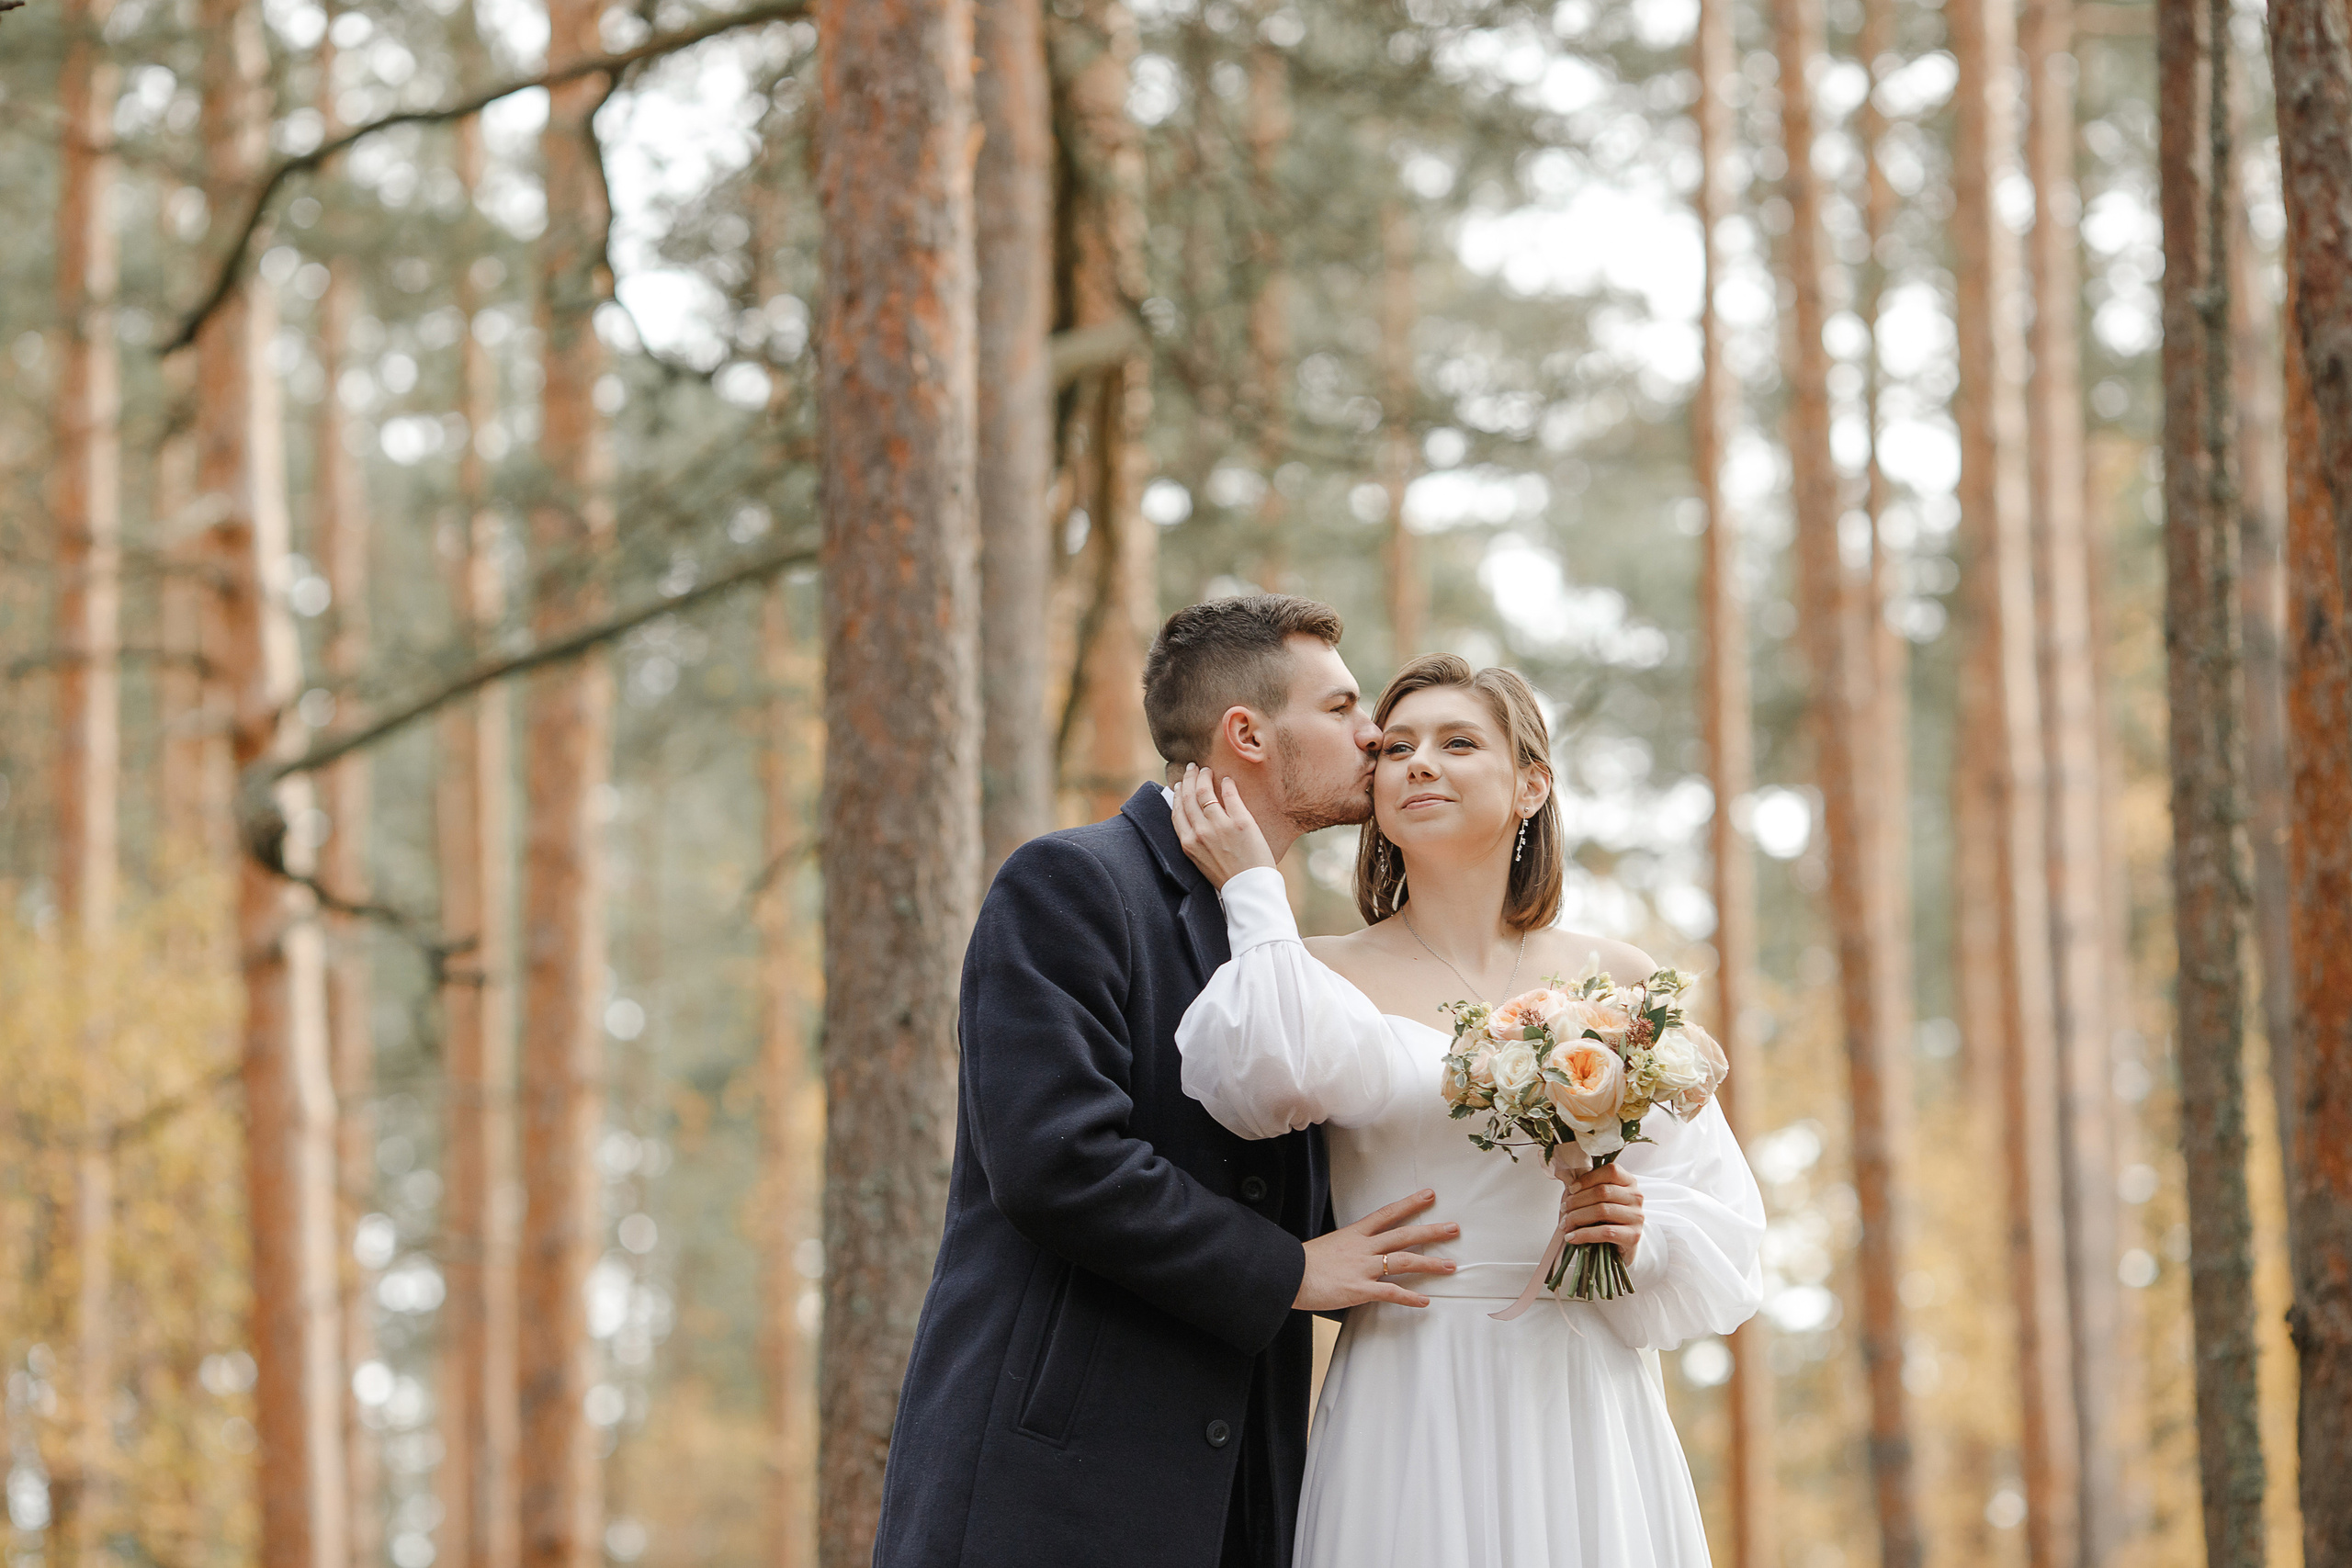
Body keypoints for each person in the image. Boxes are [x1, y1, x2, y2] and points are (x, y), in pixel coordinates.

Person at [872, 596, 1449, 1568]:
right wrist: (1292, 1270)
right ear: (1247, 734)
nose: (1375, 733)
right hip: (1051, 1486)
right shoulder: (1072, 884)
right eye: (1343, 706)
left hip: (1236, 1495)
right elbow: (1058, 1162)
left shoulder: (1283, 951)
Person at [1170, 653, 1765, 1567]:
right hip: (1407, 1381)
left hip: (1580, 1387)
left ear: (1531, 784)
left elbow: (1715, 1211)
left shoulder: (1621, 980)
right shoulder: (1318, 972)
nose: (1418, 763)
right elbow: (1243, 1087)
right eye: (1397, 746)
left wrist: (1636, 1232)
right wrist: (1254, 892)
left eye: (1457, 742)